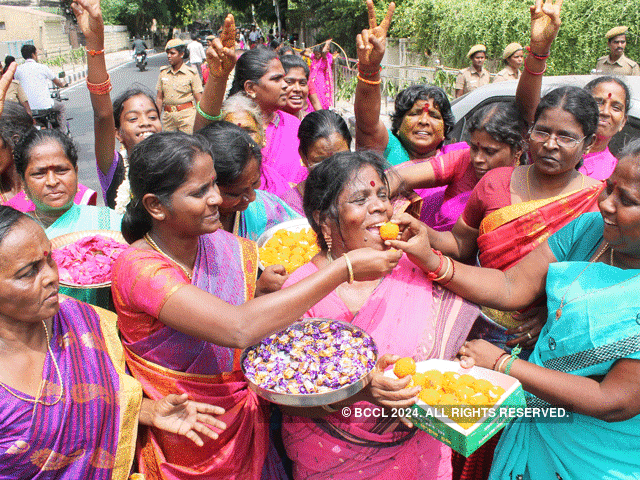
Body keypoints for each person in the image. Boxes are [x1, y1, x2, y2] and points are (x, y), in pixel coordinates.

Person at [111, 131, 402, 478]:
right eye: (199, 192)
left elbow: (253, 334)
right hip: (184, 434)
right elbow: (238, 328)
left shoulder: (226, 247)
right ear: (155, 206)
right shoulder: (140, 270)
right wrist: (346, 267)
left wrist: (353, 383)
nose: (217, 198)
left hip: (249, 423)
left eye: (214, 185)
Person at [386, 138, 640, 480]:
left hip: (598, 454)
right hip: (536, 425)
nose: (606, 204)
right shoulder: (590, 231)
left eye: (627, 200)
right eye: (609, 188)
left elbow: (614, 401)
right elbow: (511, 286)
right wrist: (432, 258)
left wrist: (505, 364)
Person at [280, 150, 479, 479]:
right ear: (324, 218)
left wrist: (461, 364)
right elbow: (285, 395)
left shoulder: (415, 265)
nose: (380, 207)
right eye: (360, 198)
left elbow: (447, 342)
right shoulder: (302, 289)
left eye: (383, 195)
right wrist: (359, 388)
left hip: (422, 455)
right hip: (334, 459)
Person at [0, 205, 228, 479]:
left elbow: (101, 395)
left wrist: (148, 410)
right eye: (28, 272)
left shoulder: (78, 319)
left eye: (49, 259)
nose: (51, 276)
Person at [71, 0, 163, 212]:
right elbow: (103, 115)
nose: (145, 124)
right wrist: (95, 42)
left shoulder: (176, 161)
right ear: (118, 133)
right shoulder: (113, 168)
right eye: (133, 118)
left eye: (152, 116)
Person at [13, 127, 121, 308]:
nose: (52, 181)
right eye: (39, 173)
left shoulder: (111, 222)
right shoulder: (14, 234)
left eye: (62, 170)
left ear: (76, 172)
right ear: (23, 182)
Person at [390, 101, 526, 231]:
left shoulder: (525, 186)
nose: (477, 159)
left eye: (489, 152)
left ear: (517, 150)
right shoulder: (464, 159)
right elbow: (397, 178)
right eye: (474, 148)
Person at [197, 121, 299, 241]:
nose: (251, 197)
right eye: (235, 194)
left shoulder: (267, 208)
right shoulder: (192, 228)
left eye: (255, 183)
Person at [281, 109, 351, 214]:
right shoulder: (289, 206)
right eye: (321, 162)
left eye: (341, 158)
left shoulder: (366, 192)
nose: (332, 169)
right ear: (304, 157)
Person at [156, 38, 203, 134]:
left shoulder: (191, 73)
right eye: (168, 53)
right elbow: (159, 98)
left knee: (187, 144)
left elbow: (199, 99)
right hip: (168, 118)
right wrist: (156, 118)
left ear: (181, 54)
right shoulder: (163, 73)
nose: (169, 56)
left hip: (187, 117)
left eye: (172, 53)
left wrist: (200, 121)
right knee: (170, 146)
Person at [14, 44, 67, 125]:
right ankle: (63, 133)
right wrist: (63, 84)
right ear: (33, 54)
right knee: (62, 107)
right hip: (44, 106)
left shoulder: (17, 70)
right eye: (36, 54)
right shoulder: (42, 67)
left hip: (27, 109)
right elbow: (57, 82)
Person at [279, 53, 318, 119]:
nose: (298, 89)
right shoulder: (265, 125)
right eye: (289, 82)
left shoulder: (311, 123)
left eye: (302, 83)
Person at [309, 39, 338, 109]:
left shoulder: (326, 58)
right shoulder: (315, 58)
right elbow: (303, 53)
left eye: (328, 47)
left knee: (320, 95)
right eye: (315, 54)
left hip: (321, 80)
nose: (316, 55)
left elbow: (324, 51)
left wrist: (327, 43)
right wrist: (309, 49)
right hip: (312, 80)